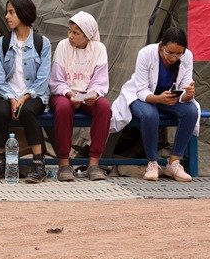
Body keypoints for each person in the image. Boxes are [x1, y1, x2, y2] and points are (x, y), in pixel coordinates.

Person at [110, 27, 200, 182]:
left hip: (168, 99)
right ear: (161, 46)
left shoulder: (187, 56)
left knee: (191, 111)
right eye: (170, 52)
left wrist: (188, 95)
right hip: (142, 97)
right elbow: (141, 91)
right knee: (150, 114)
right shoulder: (146, 54)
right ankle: (152, 163)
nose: (174, 57)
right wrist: (159, 99)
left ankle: (174, 163)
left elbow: (184, 89)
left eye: (179, 53)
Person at [0, 0, 51, 184]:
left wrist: (25, 97)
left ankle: (38, 165)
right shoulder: (2, 44)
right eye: (7, 11)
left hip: (34, 94)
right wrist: (12, 98)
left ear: (23, 13)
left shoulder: (42, 43)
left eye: (11, 12)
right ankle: (0, 162)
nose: (7, 16)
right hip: (6, 93)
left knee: (28, 111)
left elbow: (43, 78)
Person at [48, 11, 111, 181]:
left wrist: (93, 94)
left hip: (87, 96)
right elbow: (56, 81)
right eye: (70, 31)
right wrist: (69, 94)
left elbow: (100, 81)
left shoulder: (99, 49)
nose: (70, 36)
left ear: (88, 35)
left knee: (104, 107)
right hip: (64, 93)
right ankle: (64, 163)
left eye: (76, 33)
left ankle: (94, 163)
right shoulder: (63, 46)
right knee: (63, 107)